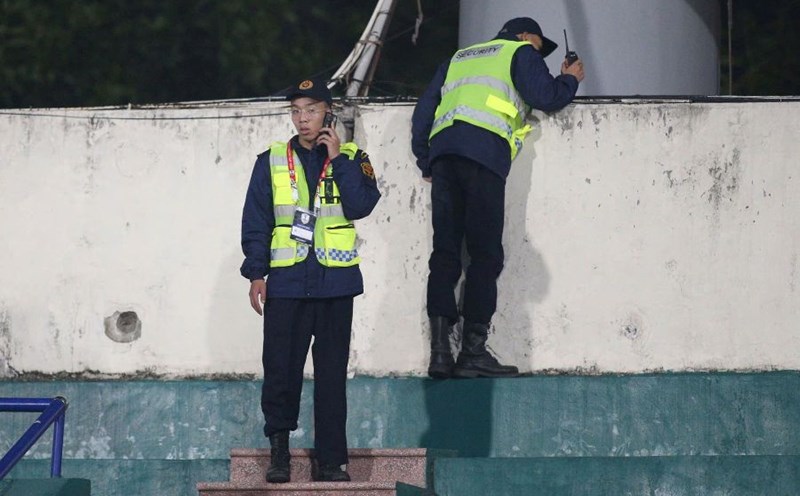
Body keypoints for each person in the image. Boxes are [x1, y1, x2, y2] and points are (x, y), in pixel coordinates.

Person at [411, 17, 585, 379]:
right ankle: (472, 352)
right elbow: (546, 97)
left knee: (445, 253)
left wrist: (426, 158)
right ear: (524, 36)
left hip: (445, 156)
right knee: (485, 254)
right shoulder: (520, 52)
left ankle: (440, 353)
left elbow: (424, 110)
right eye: (539, 45)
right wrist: (570, 78)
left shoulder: (459, 57)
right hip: (484, 155)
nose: (540, 54)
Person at [240, 78, 381, 483]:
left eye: (312, 110)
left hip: (336, 283)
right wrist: (256, 272)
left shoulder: (354, 157)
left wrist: (337, 159)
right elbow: (257, 221)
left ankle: (331, 460)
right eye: (296, 111)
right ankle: (280, 453)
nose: (303, 119)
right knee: (281, 370)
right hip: (285, 282)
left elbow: (361, 205)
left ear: (329, 113)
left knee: (332, 375)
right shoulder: (269, 160)